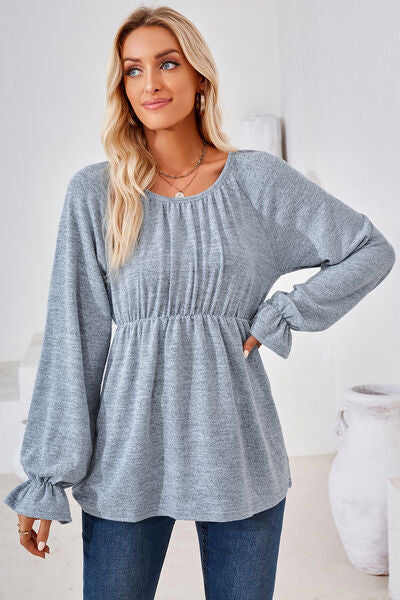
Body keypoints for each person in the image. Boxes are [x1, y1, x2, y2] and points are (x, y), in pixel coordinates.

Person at [3, 5, 396, 599]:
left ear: (199, 76)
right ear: (122, 88)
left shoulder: (257, 180)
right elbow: (73, 340)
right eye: (133, 70)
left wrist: (283, 312)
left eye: (168, 63)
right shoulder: (96, 194)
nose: (151, 83)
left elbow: (369, 249)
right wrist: (46, 476)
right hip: (127, 458)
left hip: (239, 454)